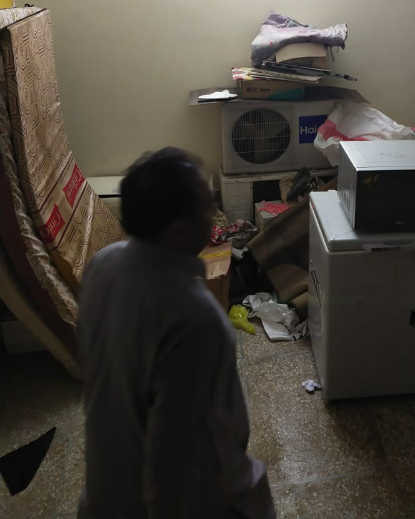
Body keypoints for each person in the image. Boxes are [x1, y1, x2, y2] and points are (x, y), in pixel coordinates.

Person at [77, 147, 275, 519]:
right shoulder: (194, 318)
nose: (214, 214)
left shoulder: (103, 265)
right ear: (179, 229)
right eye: (206, 207)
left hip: (105, 491)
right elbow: (171, 464)